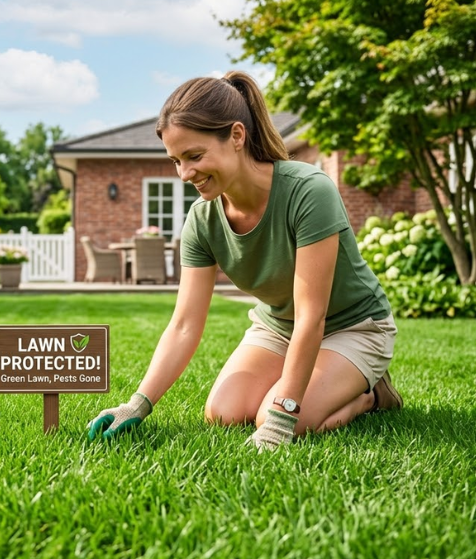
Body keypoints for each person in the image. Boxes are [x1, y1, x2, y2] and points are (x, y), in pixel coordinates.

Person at [86, 71, 402, 450]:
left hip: (354, 327)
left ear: (237, 136)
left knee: (277, 417)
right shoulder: (202, 221)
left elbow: (311, 315)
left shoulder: (308, 192)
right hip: (279, 328)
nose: (185, 173)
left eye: (194, 156)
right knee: (223, 413)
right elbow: (185, 324)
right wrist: (137, 404)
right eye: (175, 161)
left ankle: (370, 395)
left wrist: (284, 413)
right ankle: (323, 386)